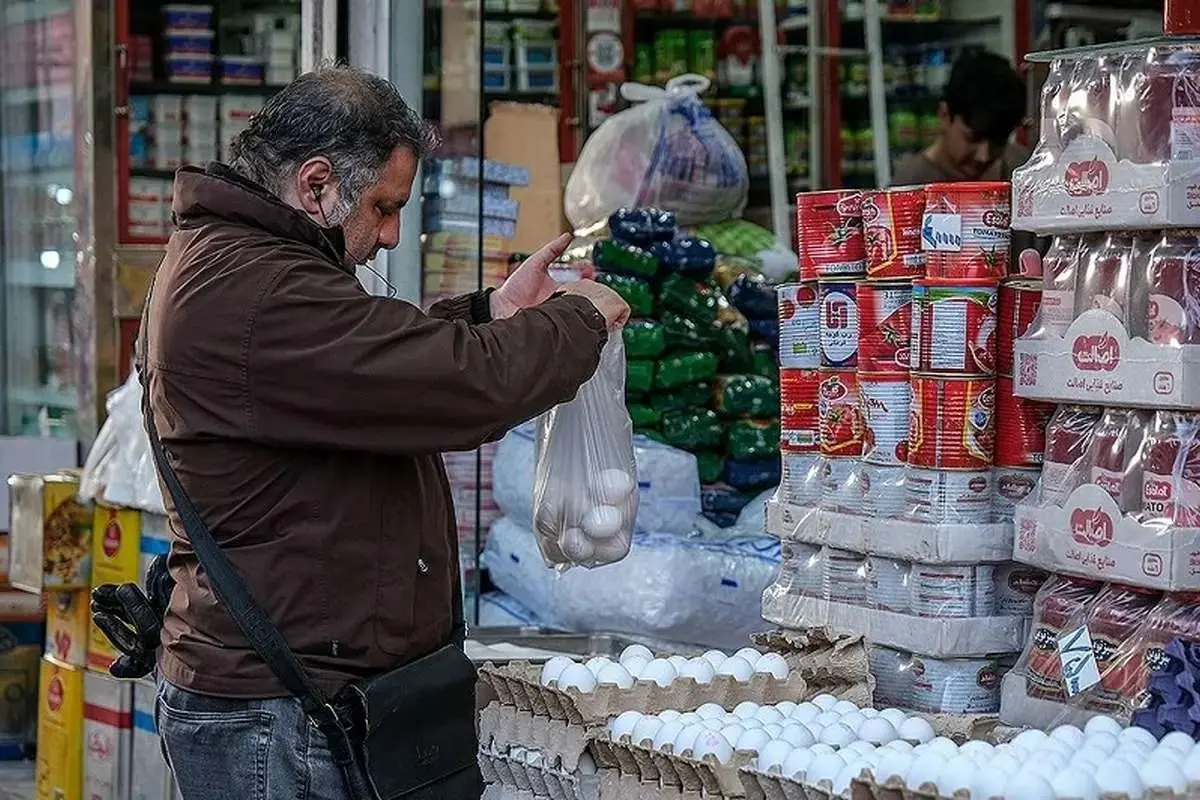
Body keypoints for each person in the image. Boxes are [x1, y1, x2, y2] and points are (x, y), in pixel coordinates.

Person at [139, 65, 629, 800]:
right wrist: (580, 319)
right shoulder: (259, 289)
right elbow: (455, 385)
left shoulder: (251, 268)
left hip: (291, 696)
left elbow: (362, 370)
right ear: (315, 186)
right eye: (383, 206)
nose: (392, 234)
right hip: (276, 717)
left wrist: (492, 313)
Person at [892, 50, 1029, 185]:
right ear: (944, 115)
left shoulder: (1024, 169)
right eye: (973, 138)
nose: (984, 156)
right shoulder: (908, 188)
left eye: (998, 142)